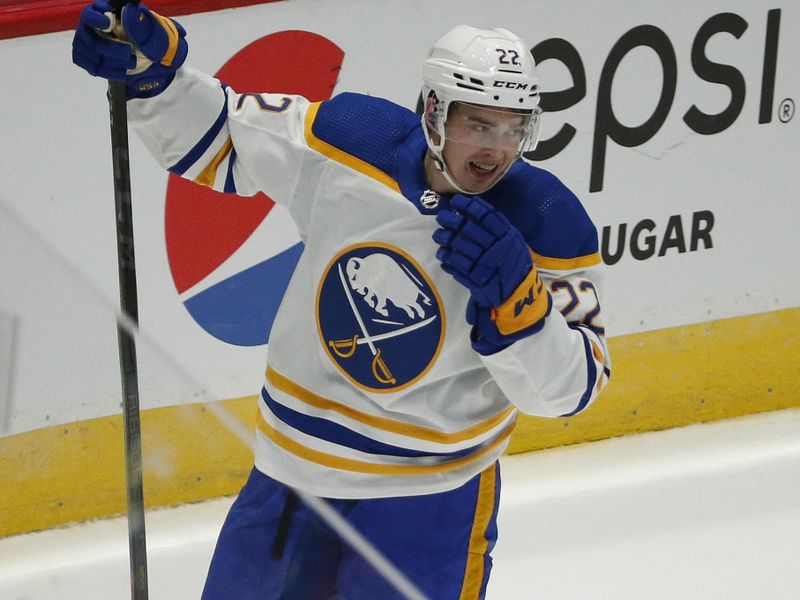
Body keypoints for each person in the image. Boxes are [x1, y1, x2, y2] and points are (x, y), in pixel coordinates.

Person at [73, 3, 611, 598]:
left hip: (429, 501)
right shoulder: (353, 140)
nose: (496, 151)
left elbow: (570, 391)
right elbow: (224, 138)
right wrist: (155, 78)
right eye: (477, 125)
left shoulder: (545, 222)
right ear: (433, 112)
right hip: (290, 477)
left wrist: (520, 308)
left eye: (514, 129)